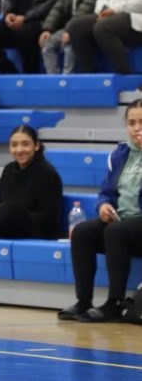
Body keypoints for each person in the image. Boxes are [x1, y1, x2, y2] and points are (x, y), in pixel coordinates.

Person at [58, 100, 142, 322]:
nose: (137, 128)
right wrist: (103, 206)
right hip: (124, 223)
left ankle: (115, 303)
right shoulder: (120, 154)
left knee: (115, 232)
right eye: (132, 123)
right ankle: (83, 301)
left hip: (135, 226)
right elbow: (106, 191)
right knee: (82, 232)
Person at [38, 0, 102, 74]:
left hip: (84, 29)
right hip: (68, 27)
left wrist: (69, 30)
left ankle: (68, 76)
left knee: (70, 43)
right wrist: (47, 29)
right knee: (47, 45)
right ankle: (53, 77)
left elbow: (84, 10)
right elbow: (58, 8)